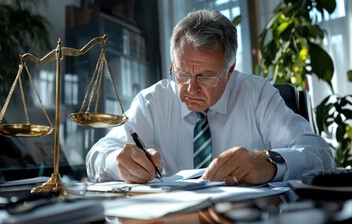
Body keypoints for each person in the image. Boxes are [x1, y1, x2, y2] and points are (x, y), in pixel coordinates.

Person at [86, 9, 334, 185]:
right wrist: (116, 162)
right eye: (182, 73)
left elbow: (320, 154)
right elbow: (98, 153)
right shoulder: (152, 101)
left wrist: (268, 163)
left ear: (230, 70)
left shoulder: (257, 95)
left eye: (205, 77)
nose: (190, 89)